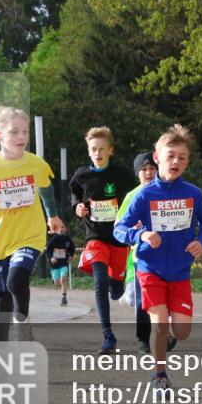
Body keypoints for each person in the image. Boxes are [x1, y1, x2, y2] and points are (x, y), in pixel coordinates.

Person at [114, 125, 202, 389]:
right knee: (158, 323)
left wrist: (201, 241)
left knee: (181, 331)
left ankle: (168, 333)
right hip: (150, 269)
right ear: (157, 158)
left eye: (182, 157)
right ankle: (159, 375)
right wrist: (141, 236)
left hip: (180, 271)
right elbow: (119, 229)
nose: (176, 162)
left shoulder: (193, 194)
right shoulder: (144, 195)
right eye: (170, 156)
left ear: (187, 161)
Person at [0, 106, 65, 341]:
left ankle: (22, 319)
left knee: (16, 278)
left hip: (29, 235)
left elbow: (45, 186)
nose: (21, 137)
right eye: (14, 132)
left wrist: (52, 215)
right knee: (1, 296)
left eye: (25, 131)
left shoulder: (35, 163)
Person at [69, 126, 139, 355]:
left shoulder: (122, 174)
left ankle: (116, 285)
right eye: (93, 149)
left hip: (119, 238)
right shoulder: (81, 175)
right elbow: (75, 192)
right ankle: (108, 335)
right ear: (88, 151)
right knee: (99, 281)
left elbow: (137, 195)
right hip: (95, 237)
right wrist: (77, 206)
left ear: (111, 150)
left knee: (116, 291)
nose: (97, 153)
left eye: (102, 149)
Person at [116, 151, 159, 354]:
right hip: (140, 256)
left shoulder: (168, 191)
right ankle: (143, 339)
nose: (149, 173)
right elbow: (119, 227)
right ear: (137, 174)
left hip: (167, 255)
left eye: (152, 168)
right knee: (139, 299)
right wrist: (137, 233)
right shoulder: (131, 197)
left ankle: (164, 334)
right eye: (144, 170)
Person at [46, 225, 75, 306]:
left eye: (63, 227)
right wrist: (51, 257)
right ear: (56, 229)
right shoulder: (54, 239)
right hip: (55, 264)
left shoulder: (68, 239)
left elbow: (72, 248)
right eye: (60, 227)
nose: (61, 229)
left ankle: (64, 298)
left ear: (66, 229)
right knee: (57, 283)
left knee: (63, 279)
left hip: (64, 262)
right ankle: (54, 278)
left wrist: (71, 256)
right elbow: (48, 251)